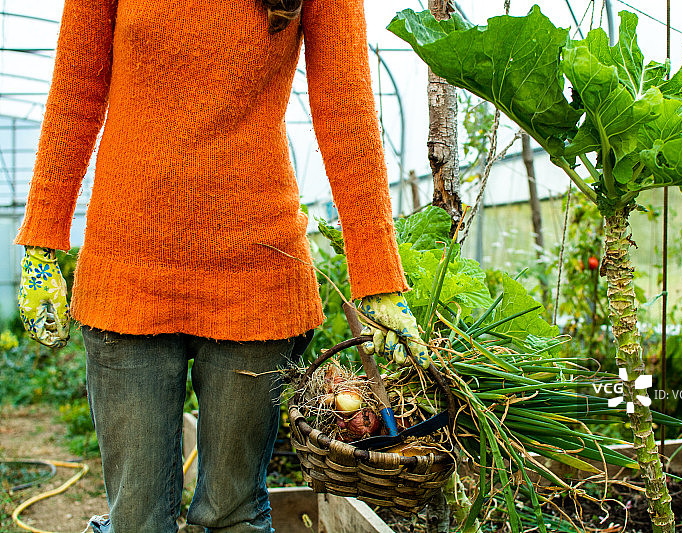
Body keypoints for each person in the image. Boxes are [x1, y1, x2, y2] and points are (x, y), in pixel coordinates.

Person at [15, 0, 429, 531]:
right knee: (138, 520)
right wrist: (41, 241)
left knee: (234, 514)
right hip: (127, 272)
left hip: (256, 277)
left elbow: (345, 108)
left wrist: (378, 278)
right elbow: (76, 91)